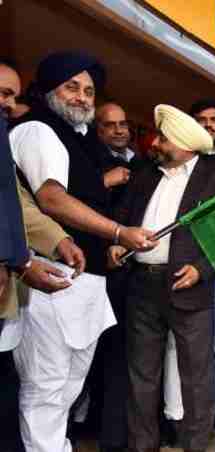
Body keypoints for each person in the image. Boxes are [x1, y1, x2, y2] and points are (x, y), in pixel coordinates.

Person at [8, 51, 156, 452]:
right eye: (72, 86)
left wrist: (109, 244)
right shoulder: (37, 130)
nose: (82, 97)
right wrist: (119, 232)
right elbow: (51, 199)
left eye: (89, 90)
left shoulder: (79, 141)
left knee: (69, 388)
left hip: (83, 281)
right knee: (47, 389)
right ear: (49, 89)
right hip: (48, 276)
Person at [108, 104, 215, 452]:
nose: (156, 143)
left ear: (183, 144)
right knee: (141, 376)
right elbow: (123, 214)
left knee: (196, 379)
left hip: (188, 285)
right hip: (142, 285)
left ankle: (195, 447)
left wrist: (202, 269)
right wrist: (118, 241)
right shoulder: (146, 171)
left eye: (164, 138)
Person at [0, 57, 86, 452]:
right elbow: (46, 199)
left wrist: (53, 239)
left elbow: (14, 203)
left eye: (12, 96)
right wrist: (21, 262)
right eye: (2, 93)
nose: (8, 104)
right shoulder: (34, 131)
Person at [88, 101, 151, 451]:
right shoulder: (88, 159)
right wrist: (104, 182)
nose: (119, 130)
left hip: (138, 275)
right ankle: (107, 437)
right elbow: (64, 202)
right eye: (110, 125)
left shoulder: (142, 163)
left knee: (134, 357)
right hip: (101, 268)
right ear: (97, 129)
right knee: (107, 357)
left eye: (124, 124)